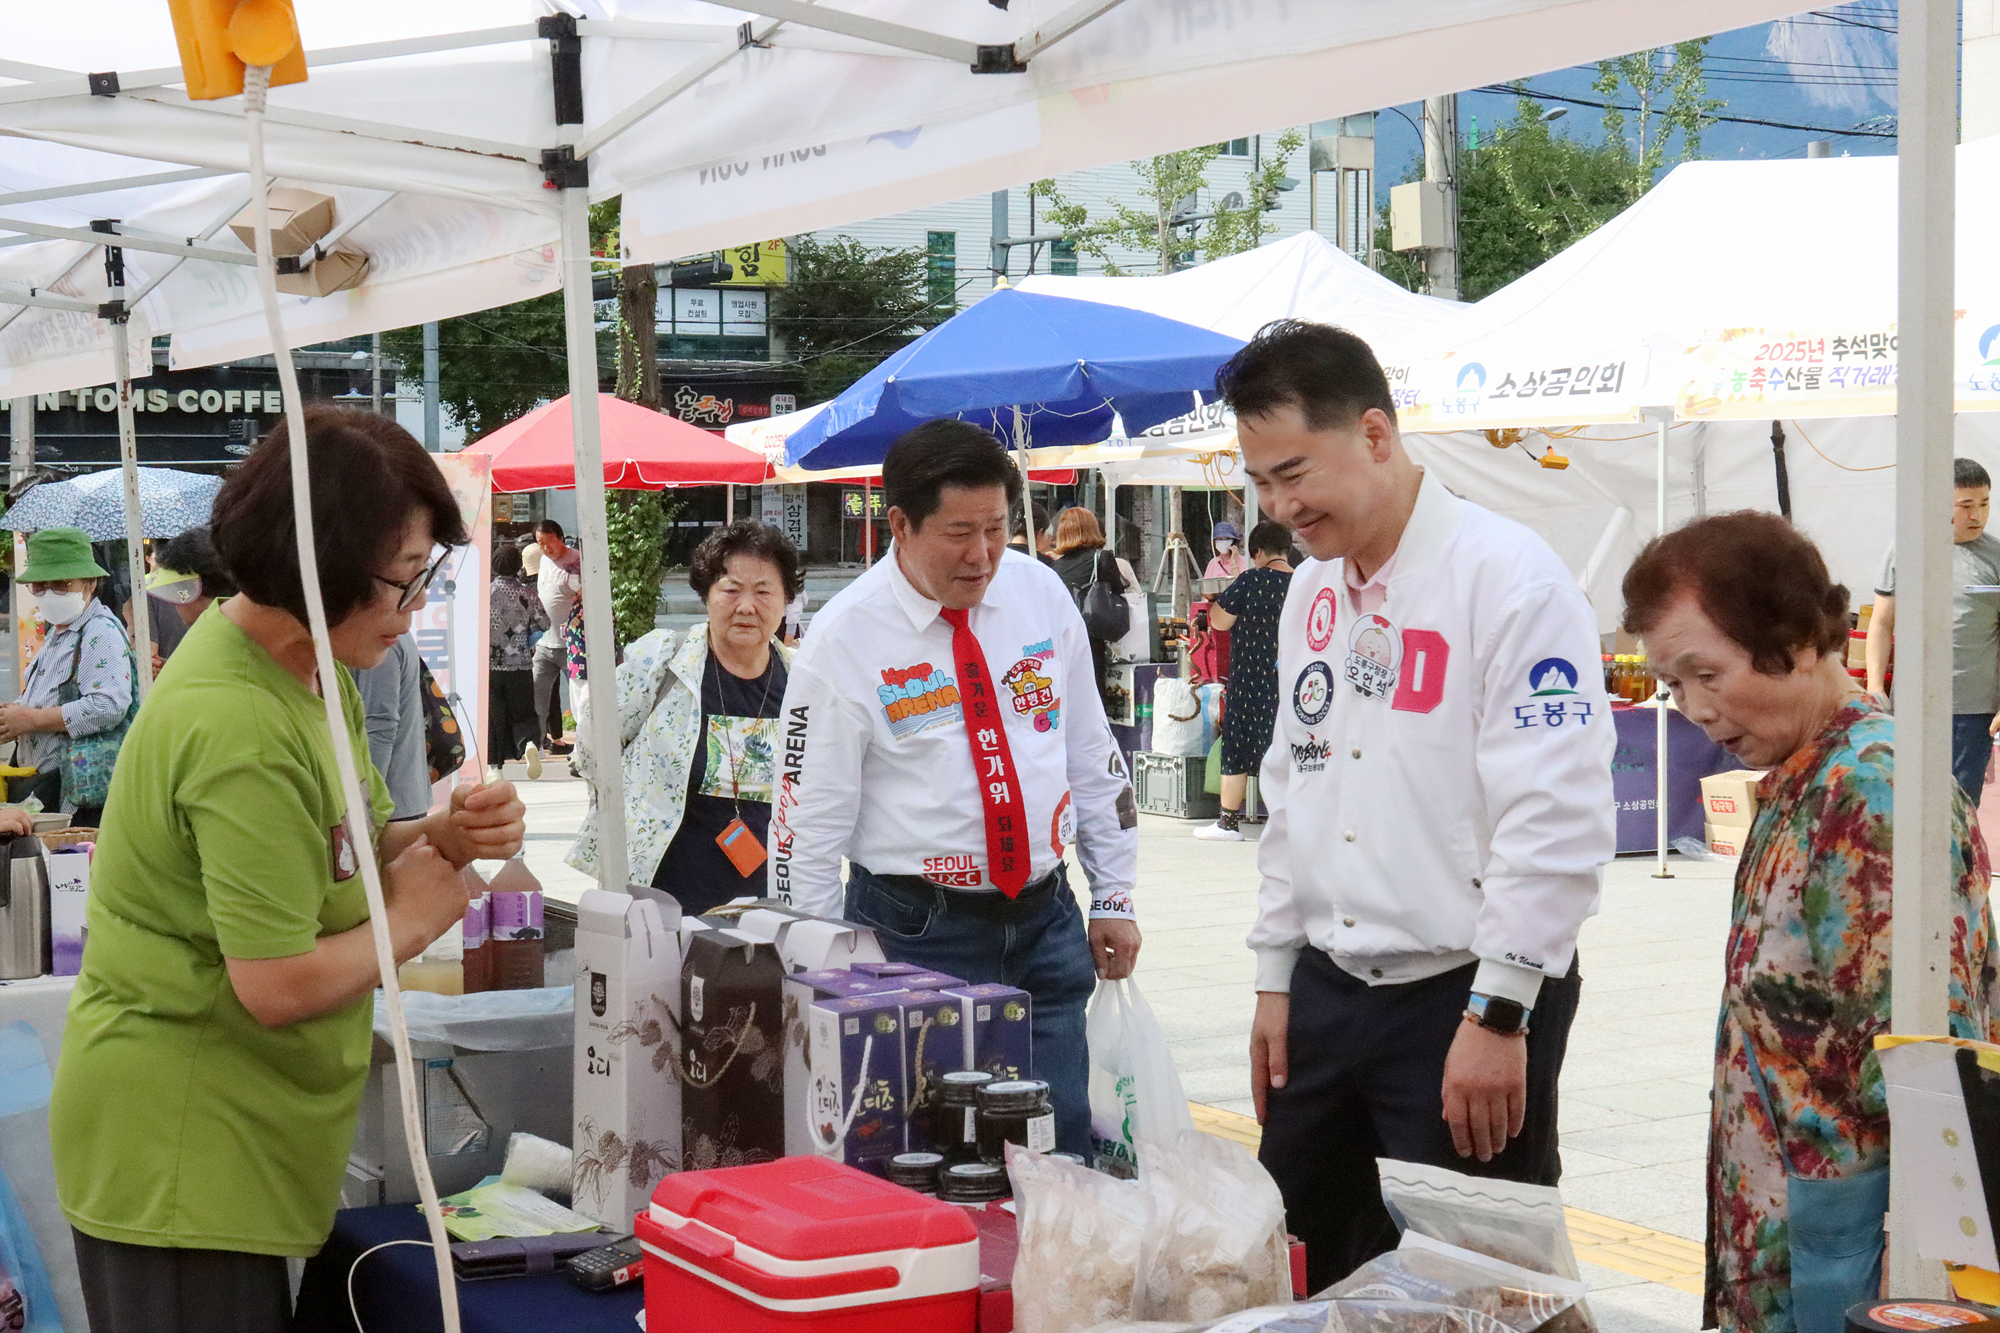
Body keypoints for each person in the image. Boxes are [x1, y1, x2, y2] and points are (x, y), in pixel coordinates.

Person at [48, 405, 526, 1333]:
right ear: (322, 566)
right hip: (183, 1149)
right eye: (402, 580)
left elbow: (343, 839)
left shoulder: (316, 670)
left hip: (243, 1136)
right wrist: (416, 918)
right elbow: (274, 981)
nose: (416, 605)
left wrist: (443, 835)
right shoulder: (235, 724)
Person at [1227, 321, 1615, 1292]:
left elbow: (1554, 816)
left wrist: (1498, 1013)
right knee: (1305, 1259)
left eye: (1291, 473)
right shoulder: (1311, 593)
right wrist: (1277, 975)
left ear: (1371, 434)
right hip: (1327, 987)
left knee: (1468, 1285)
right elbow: (1292, 785)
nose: (1277, 507)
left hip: (1460, 995)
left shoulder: (1508, 578)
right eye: (1259, 483)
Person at [1624, 512, 2000, 1333]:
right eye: (1672, 683)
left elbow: (1928, 1077)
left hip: (1853, 1262)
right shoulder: (1802, 773)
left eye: (1704, 673)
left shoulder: (1869, 792)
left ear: (1794, 639)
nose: (1690, 706)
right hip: (1793, 1239)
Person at [770, 420, 1142, 1157]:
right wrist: (811, 974)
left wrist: (1115, 893)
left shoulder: (1038, 594)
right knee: (937, 1154)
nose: (982, 555)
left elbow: (1089, 749)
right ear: (900, 524)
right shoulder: (846, 638)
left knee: (1059, 1140)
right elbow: (805, 825)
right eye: (959, 532)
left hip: (1045, 913)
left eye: (998, 528)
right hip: (915, 929)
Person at [570, 521, 800, 913]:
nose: (747, 606)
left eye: (763, 592)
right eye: (730, 589)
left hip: (772, 904)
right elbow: (595, 746)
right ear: (706, 595)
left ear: (785, 599)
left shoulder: (803, 681)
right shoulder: (664, 662)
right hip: (660, 902)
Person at [1865, 457, 2000, 801]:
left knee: (1961, 805)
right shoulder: (1906, 549)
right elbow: (1881, 623)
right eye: (1966, 506)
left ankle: (1959, 859)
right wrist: (1875, 686)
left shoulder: (1996, 557)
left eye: (1985, 503)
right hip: (1912, 704)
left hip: (1974, 709)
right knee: (1906, 801)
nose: (1977, 515)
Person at [0, 528, 137, 830]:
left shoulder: (100, 631)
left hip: (81, 799)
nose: (49, 593)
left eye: (62, 585)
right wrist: (15, 714)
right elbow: (46, 695)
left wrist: (32, 720)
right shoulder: (57, 633)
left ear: (90, 584)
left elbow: (108, 705)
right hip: (47, 786)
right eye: (40, 586)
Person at [1194, 519, 1295, 842]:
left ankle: (1228, 822)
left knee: (1237, 746)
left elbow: (1219, 622)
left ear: (1258, 552)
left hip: (1250, 678)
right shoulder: (1303, 582)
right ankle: (1291, 820)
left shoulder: (1250, 580)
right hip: (1293, 679)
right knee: (1289, 747)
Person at [1049, 506, 1136, 703]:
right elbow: (1118, 593)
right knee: (1094, 695)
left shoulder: (1054, 566)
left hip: (1063, 640)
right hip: (1093, 638)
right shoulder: (1101, 558)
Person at [353, 634, 430, 820]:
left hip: (389, 805)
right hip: (401, 796)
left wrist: (362, 806)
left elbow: (379, 730)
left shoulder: (382, 640)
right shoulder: (392, 635)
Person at [145, 526, 239, 677]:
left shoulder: (223, 643)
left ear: (194, 590)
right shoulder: (237, 633)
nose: (174, 603)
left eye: (176, 591)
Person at [489, 542, 549, 776]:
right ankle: (529, 745)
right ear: (518, 566)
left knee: (494, 717)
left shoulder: (486, 593)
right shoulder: (528, 593)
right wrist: (526, 642)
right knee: (524, 712)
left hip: (490, 666)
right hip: (521, 664)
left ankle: (495, 768)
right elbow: (544, 624)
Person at [532, 519, 581, 756]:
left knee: (581, 699)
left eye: (548, 542)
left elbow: (586, 596)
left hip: (572, 644)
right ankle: (537, 744)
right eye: (540, 543)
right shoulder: (543, 560)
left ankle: (585, 746)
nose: (545, 548)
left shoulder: (576, 560)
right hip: (544, 643)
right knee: (537, 697)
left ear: (560, 538)